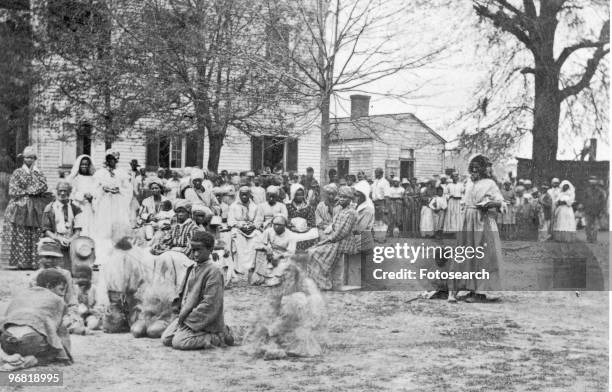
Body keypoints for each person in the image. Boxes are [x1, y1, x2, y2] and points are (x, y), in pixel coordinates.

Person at [161, 230, 234, 350]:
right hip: (187, 315)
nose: (195, 254)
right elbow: (183, 294)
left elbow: (210, 304)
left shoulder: (214, 271)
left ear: (210, 250)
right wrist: (180, 313)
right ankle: (193, 332)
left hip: (206, 319)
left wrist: (188, 321)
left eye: (199, 250)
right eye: (193, 250)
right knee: (166, 339)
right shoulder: (192, 267)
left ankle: (217, 337)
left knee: (179, 342)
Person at [245, 259, 327, 359]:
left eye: (288, 274)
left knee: (296, 301)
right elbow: (272, 305)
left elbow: (313, 312)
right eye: (284, 275)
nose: (286, 277)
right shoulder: (281, 286)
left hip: (301, 323)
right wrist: (270, 324)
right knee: (263, 322)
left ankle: (281, 344)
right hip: (286, 322)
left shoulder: (305, 287)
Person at [448, 155, 503, 303]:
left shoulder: (490, 183)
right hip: (468, 221)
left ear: (483, 170)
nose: (474, 174)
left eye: (477, 170)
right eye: (472, 171)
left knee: (482, 254)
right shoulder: (469, 183)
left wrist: (489, 204)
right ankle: (469, 287)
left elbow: (500, 203)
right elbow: (464, 202)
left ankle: (481, 291)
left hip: (482, 220)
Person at [0, 269, 72, 371]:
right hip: (32, 342)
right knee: (52, 351)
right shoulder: (57, 300)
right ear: (49, 286)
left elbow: (5, 321)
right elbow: (60, 331)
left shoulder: (21, 294)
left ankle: (8, 357)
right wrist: (64, 357)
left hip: (7, 341)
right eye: (61, 289)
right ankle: (28, 361)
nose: (63, 294)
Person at [1, 146, 51, 269]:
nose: (29, 159)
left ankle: (35, 262)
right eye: (27, 157)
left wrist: (31, 191)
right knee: (21, 232)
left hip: (36, 206)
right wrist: (28, 192)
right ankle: (21, 262)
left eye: (32, 157)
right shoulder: (17, 172)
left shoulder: (38, 172)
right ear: (23, 158)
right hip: (20, 205)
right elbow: (13, 188)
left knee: (36, 232)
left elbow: (43, 186)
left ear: (35, 159)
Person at [308, 186, 357, 290]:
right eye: (341, 196)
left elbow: (342, 232)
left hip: (341, 242)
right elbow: (329, 224)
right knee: (313, 252)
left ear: (350, 199)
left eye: (345, 197)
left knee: (317, 253)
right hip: (333, 238)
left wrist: (327, 240)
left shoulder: (350, 212)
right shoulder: (341, 209)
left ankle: (328, 284)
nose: (342, 199)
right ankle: (322, 282)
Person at [92, 150, 132, 265]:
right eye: (109, 159)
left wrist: (119, 190)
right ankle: (102, 257)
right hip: (105, 202)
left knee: (118, 225)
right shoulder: (100, 173)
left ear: (116, 160)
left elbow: (128, 189)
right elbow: (94, 189)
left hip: (118, 203)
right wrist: (102, 190)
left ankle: (118, 257)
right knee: (104, 228)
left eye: (113, 159)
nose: (111, 161)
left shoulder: (121, 173)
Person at [42, 180, 83, 270]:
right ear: (57, 192)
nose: (63, 193)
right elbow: (46, 230)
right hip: (55, 239)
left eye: (65, 190)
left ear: (69, 192)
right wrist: (59, 239)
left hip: (71, 239)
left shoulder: (76, 208)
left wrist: (70, 240)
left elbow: (78, 230)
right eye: (60, 190)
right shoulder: (49, 208)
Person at [251, 215, 297, 286]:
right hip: (271, 255)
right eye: (275, 224)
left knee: (279, 277)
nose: (276, 227)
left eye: (279, 225)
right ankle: (259, 275)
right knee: (259, 252)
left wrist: (279, 256)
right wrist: (266, 248)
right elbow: (256, 244)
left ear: (284, 225)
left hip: (283, 257)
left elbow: (291, 252)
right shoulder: (269, 231)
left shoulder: (291, 236)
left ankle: (276, 278)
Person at [227, 187, 262, 275]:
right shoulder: (233, 206)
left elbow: (258, 220)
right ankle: (240, 267)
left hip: (251, 229)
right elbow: (230, 220)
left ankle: (252, 266)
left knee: (258, 235)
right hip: (239, 228)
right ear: (239, 195)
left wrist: (253, 226)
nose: (244, 197)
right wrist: (239, 225)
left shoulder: (255, 206)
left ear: (249, 195)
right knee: (235, 234)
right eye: (242, 194)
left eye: (246, 194)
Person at [68, 155, 96, 237]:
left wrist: (92, 196)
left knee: (90, 227)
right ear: (79, 165)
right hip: (78, 206)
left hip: (89, 206)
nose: (84, 166)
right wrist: (83, 195)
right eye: (82, 164)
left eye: (86, 164)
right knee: (79, 226)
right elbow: (71, 193)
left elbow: (96, 191)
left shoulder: (93, 178)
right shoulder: (74, 178)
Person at [138, 177, 169, 241]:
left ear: (160, 189)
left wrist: (159, 218)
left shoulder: (166, 200)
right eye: (152, 189)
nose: (154, 190)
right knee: (143, 233)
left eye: (156, 188)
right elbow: (141, 214)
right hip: (149, 223)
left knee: (159, 236)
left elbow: (170, 214)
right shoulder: (146, 201)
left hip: (162, 223)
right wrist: (149, 217)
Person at [354, 181, 375, 277]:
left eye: (358, 195)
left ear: (364, 195)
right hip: (358, 235)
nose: (356, 197)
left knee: (360, 259)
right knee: (358, 259)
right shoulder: (359, 204)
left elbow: (360, 227)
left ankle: (361, 279)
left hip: (363, 235)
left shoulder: (368, 208)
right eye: (356, 195)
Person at [287, 184, 317, 250]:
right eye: (297, 195)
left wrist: (307, 228)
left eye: (301, 195)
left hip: (305, 229)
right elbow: (286, 218)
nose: (300, 197)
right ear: (293, 195)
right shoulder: (288, 206)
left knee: (313, 235)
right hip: (291, 229)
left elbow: (311, 220)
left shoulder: (308, 207)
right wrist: (291, 227)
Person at [583, 176, 607, 243]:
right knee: (588, 225)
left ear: (596, 183)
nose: (592, 183)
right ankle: (589, 238)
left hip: (597, 211)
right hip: (588, 210)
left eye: (594, 182)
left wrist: (601, 211)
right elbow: (584, 200)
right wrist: (585, 208)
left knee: (595, 225)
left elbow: (603, 202)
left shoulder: (601, 192)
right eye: (591, 182)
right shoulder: (587, 190)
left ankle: (594, 239)